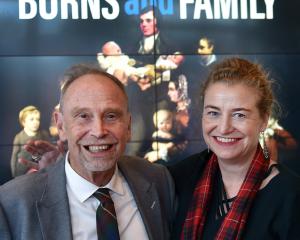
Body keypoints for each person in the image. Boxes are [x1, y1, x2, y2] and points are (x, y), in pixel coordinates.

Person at [0, 64, 175, 240]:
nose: (99, 131)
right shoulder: (12, 203)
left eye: (111, 116)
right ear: (61, 125)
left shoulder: (158, 180)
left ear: (128, 126)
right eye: (83, 116)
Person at [169, 57, 300, 239]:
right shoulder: (181, 178)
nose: (224, 128)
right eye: (213, 113)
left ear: (264, 120)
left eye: (239, 115)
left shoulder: (291, 197)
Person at [10, 105, 50, 177]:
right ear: (23, 122)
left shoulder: (44, 134)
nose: (35, 122)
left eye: (37, 119)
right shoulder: (19, 137)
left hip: (40, 170)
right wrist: (14, 173)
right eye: (31, 119)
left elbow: (49, 153)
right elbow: (14, 156)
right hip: (21, 171)